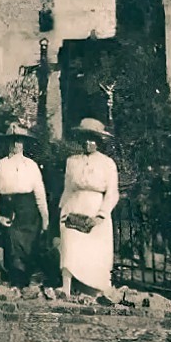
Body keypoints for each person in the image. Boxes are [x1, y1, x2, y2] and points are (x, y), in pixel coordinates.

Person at [57, 117, 119, 301]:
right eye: (85, 138)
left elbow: (112, 193)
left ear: (99, 142)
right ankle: (66, 288)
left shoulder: (107, 163)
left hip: (95, 207)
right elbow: (67, 188)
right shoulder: (71, 161)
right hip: (74, 206)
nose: (88, 143)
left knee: (94, 249)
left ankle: (95, 290)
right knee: (69, 245)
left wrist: (101, 214)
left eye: (92, 139)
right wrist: (63, 210)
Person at [0, 123, 50, 290]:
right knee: (13, 246)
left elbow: (40, 194)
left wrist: (45, 218)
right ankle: (16, 282)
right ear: (7, 143)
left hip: (29, 211)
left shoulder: (32, 166)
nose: (16, 145)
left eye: (19, 141)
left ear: (24, 143)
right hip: (9, 209)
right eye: (12, 141)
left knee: (30, 247)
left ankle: (28, 281)